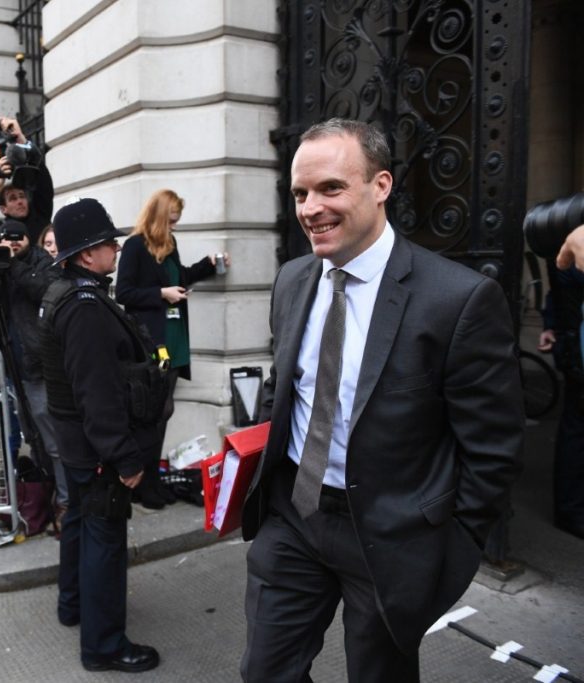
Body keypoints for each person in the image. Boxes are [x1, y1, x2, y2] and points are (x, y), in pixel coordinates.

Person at [240, 118, 523, 681]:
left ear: (381, 186)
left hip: (392, 541)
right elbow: (285, 387)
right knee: (264, 673)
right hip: (294, 518)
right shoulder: (294, 280)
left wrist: (446, 552)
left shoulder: (458, 300)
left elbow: (492, 451)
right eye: (300, 193)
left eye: (330, 188)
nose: (310, 208)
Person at [38, 198, 161, 674]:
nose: (115, 248)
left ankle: (73, 606)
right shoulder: (85, 306)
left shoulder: (66, 292)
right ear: (87, 254)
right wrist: (125, 458)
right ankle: (105, 646)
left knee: (79, 525)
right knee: (104, 538)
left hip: (76, 443)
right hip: (95, 447)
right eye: (109, 242)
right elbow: (98, 393)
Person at [115, 189, 228, 508]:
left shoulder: (170, 245)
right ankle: (143, 482)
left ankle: (150, 480)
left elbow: (182, 278)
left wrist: (209, 265)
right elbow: (123, 293)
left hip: (175, 338)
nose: (175, 226)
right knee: (154, 413)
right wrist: (160, 294)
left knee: (162, 412)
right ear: (159, 217)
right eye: (172, 220)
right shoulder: (136, 246)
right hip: (153, 342)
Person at [0, 219, 68, 529]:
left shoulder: (43, 262)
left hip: (38, 367)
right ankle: (46, 493)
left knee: (53, 440)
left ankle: (66, 502)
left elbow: (42, 289)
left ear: (29, 238)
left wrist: (11, 263)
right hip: (12, 366)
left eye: (17, 237)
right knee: (32, 436)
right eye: (6, 239)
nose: (11, 243)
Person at [538, 261, 584, 539]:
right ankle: (570, 512)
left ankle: (570, 510)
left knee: (574, 430)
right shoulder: (574, 247)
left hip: (573, 350)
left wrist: (551, 324)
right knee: (576, 432)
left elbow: (557, 293)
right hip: (576, 354)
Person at [0, 116, 54, 245]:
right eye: (12, 198)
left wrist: (21, 140)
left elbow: (43, 182)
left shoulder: (41, 217)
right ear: (3, 209)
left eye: (21, 196)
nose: (19, 201)